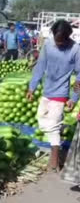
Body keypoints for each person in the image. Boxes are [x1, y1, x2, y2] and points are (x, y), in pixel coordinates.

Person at [27, 20, 80, 172]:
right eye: (57, 40)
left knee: (52, 126)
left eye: (62, 41)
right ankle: (61, 127)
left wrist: (74, 98)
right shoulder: (48, 45)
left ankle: (54, 159)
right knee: (42, 121)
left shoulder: (75, 49)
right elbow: (40, 67)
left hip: (61, 93)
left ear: (68, 37)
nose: (58, 44)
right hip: (47, 91)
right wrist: (32, 87)